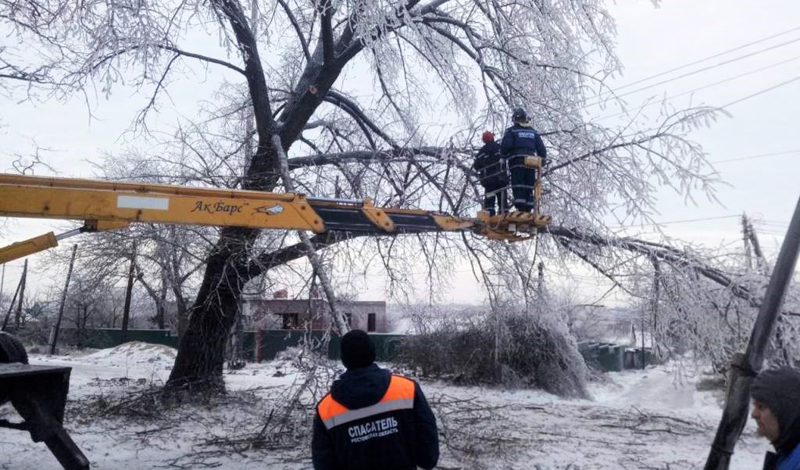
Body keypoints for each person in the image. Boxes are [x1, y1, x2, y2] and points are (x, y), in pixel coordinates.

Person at [312, 330, 439, 470]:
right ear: (373, 353)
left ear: (343, 360)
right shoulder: (406, 389)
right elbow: (428, 447)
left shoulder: (326, 408)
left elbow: (323, 462)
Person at [751, 367, 800, 470]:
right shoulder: (787, 453)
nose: (754, 414)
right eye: (754, 406)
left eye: (761, 407)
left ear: (785, 412)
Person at [500, 108, 547, 212]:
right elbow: (541, 148)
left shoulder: (512, 131)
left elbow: (505, 146)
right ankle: (529, 205)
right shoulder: (533, 132)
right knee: (529, 183)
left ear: (515, 119)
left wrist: (503, 156)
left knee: (518, 183)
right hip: (531, 161)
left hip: (517, 161)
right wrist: (542, 159)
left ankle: (520, 206)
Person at [473, 130, 508, 216]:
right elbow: (504, 157)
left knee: (489, 197)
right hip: (500, 178)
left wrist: (485, 164)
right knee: (502, 196)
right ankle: (503, 212)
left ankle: (489, 213)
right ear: (492, 137)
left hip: (488, 180)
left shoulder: (482, 151)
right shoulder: (499, 147)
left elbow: (476, 165)